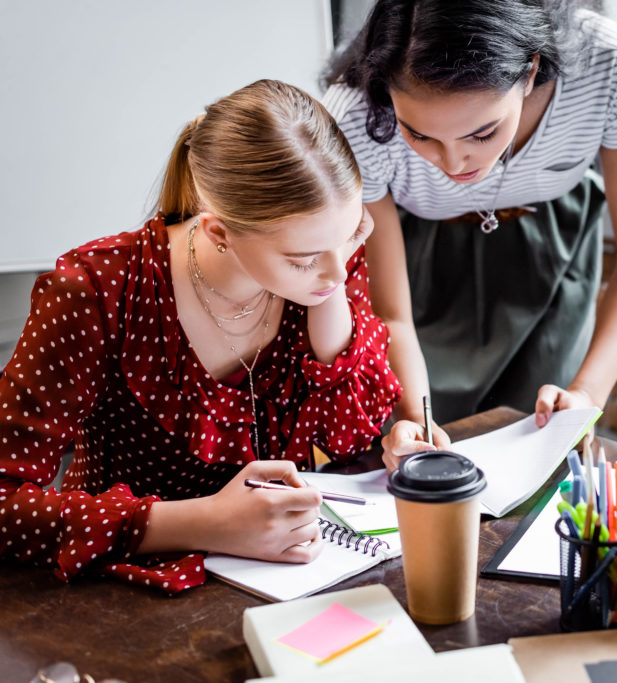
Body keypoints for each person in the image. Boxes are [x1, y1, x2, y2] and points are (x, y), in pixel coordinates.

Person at [0, 79, 400, 593]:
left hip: (282, 575)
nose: (338, 272)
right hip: (119, 586)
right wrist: (209, 523)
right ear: (218, 233)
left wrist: (328, 290)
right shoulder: (95, 289)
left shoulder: (323, 272)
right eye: (303, 260)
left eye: (351, 236)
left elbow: (352, 434)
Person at [321, 0, 617, 470]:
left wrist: (587, 393)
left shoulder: (609, 69)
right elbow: (390, 312)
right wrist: (413, 417)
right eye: (419, 134)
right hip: (416, 263)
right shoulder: (352, 119)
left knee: (542, 450)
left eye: (482, 133)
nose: (453, 165)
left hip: (549, 259)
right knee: (419, 458)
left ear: (530, 72)